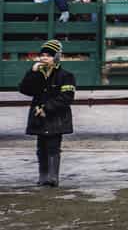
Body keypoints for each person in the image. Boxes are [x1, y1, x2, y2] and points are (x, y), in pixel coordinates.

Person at [19, 39, 75, 187]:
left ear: (56, 57)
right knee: (41, 148)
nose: (44, 58)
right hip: (39, 118)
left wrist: (46, 108)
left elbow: (67, 98)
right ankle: (42, 176)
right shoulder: (38, 73)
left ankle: (53, 177)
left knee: (53, 146)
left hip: (55, 118)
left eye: (48, 55)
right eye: (42, 55)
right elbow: (25, 89)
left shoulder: (65, 75)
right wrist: (32, 72)